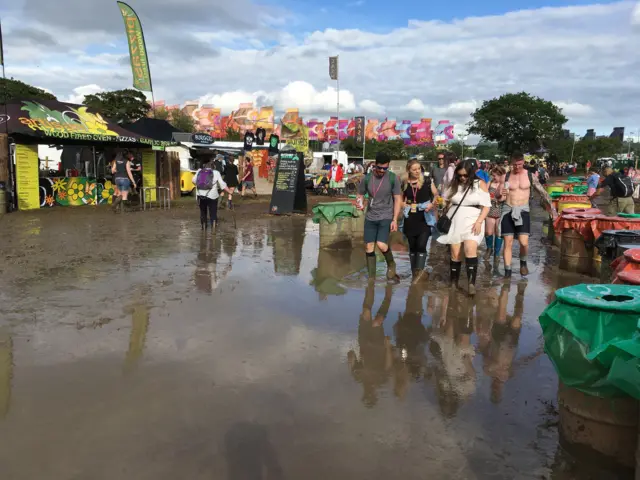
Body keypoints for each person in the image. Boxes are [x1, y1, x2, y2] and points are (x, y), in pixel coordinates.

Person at [499, 153, 557, 278]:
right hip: (508, 209)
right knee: (507, 243)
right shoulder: (506, 176)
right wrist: (501, 194)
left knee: (524, 242)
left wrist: (552, 208)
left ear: (523, 163)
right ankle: (507, 271)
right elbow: (499, 196)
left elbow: (542, 192)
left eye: (519, 164)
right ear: (511, 163)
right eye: (514, 164)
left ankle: (523, 263)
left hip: (523, 210)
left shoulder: (530, 176)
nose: (517, 167)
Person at [437, 160, 491, 295]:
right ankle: (454, 283)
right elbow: (446, 201)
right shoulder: (453, 185)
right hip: (455, 220)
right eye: (460, 175)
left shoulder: (480, 184)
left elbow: (487, 206)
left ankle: (471, 284)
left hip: (473, 220)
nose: (462, 178)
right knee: (455, 253)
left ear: (471, 174)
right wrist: (440, 203)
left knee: (470, 248)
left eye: (465, 175)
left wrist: (479, 222)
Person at [356, 152, 403, 282]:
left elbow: (398, 199)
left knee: (382, 245)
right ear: (374, 165)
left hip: (386, 215)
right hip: (370, 216)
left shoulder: (393, 178)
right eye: (380, 168)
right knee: (368, 247)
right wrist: (359, 203)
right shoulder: (366, 178)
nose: (382, 171)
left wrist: (394, 219)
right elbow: (360, 194)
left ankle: (391, 265)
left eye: (385, 168)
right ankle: (371, 277)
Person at [402, 159, 439, 282]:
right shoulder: (404, 183)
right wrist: (403, 205)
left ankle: (419, 274)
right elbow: (400, 199)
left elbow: (436, 195)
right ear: (409, 170)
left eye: (419, 169)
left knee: (421, 245)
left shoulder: (427, 181)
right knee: (412, 247)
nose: (417, 171)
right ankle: (414, 273)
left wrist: (432, 204)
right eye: (414, 169)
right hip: (410, 218)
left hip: (425, 217)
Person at [193, 161, 233, 230]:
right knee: (213, 213)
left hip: (200, 195)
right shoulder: (216, 172)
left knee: (203, 212)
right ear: (213, 167)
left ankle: (203, 229)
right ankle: (213, 231)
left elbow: (193, 181)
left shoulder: (199, 171)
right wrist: (230, 191)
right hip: (212, 196)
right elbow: (222, 185)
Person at [484, 165, 506, 261]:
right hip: (490, 209)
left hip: (501, 210)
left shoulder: (505, 184)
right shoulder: (490, 183)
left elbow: (505, 197)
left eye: (495, 176)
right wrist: (490, 198)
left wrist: (499, 198)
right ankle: (489, 249)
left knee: (499, 232)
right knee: (489, 232)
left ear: (501, 176)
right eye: (493, 175)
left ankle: (497, 253)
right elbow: (484, 193)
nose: (494, 177)